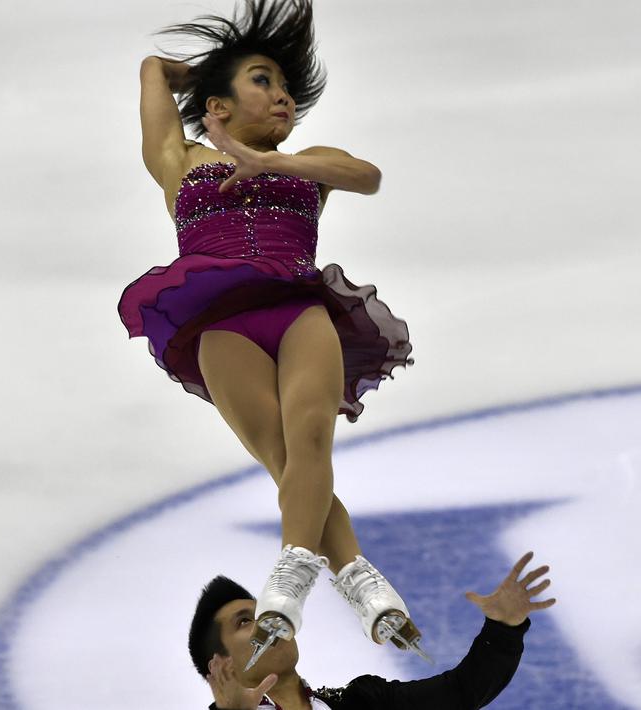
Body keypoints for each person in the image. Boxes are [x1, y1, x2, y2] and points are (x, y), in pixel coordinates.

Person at [118, 0, 419, 667]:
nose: (281, 96)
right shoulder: (184, 159)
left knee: (310, 438)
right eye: (261, 80)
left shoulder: (310, 159)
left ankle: (291, 580)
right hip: (219, 324)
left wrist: (277, 165)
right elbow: (152, 71)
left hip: (298, 309)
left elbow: (365, 176)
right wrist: (200, 74)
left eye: (285, 87)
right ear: (217, 107)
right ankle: (361, 582)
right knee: (285, 459)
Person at [191, 552, 557, 710]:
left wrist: (503, 628)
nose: (271, 620)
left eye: (265, 611)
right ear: (221, 667)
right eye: (244, 621)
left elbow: (461, 693)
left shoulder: (362, 702)